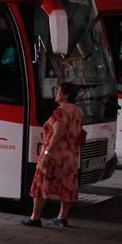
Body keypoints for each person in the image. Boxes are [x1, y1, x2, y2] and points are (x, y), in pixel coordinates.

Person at [21, 82, 85, 228]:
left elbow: (59, 133)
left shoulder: (60, 112)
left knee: (41, 183)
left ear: (66, 95)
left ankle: (35, 218)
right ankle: (62, 217)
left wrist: (47, 153)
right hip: (71, 155)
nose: (56, 94)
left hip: (56, 154)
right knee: (68, 184)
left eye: (59, 92)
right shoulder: (77, 111)